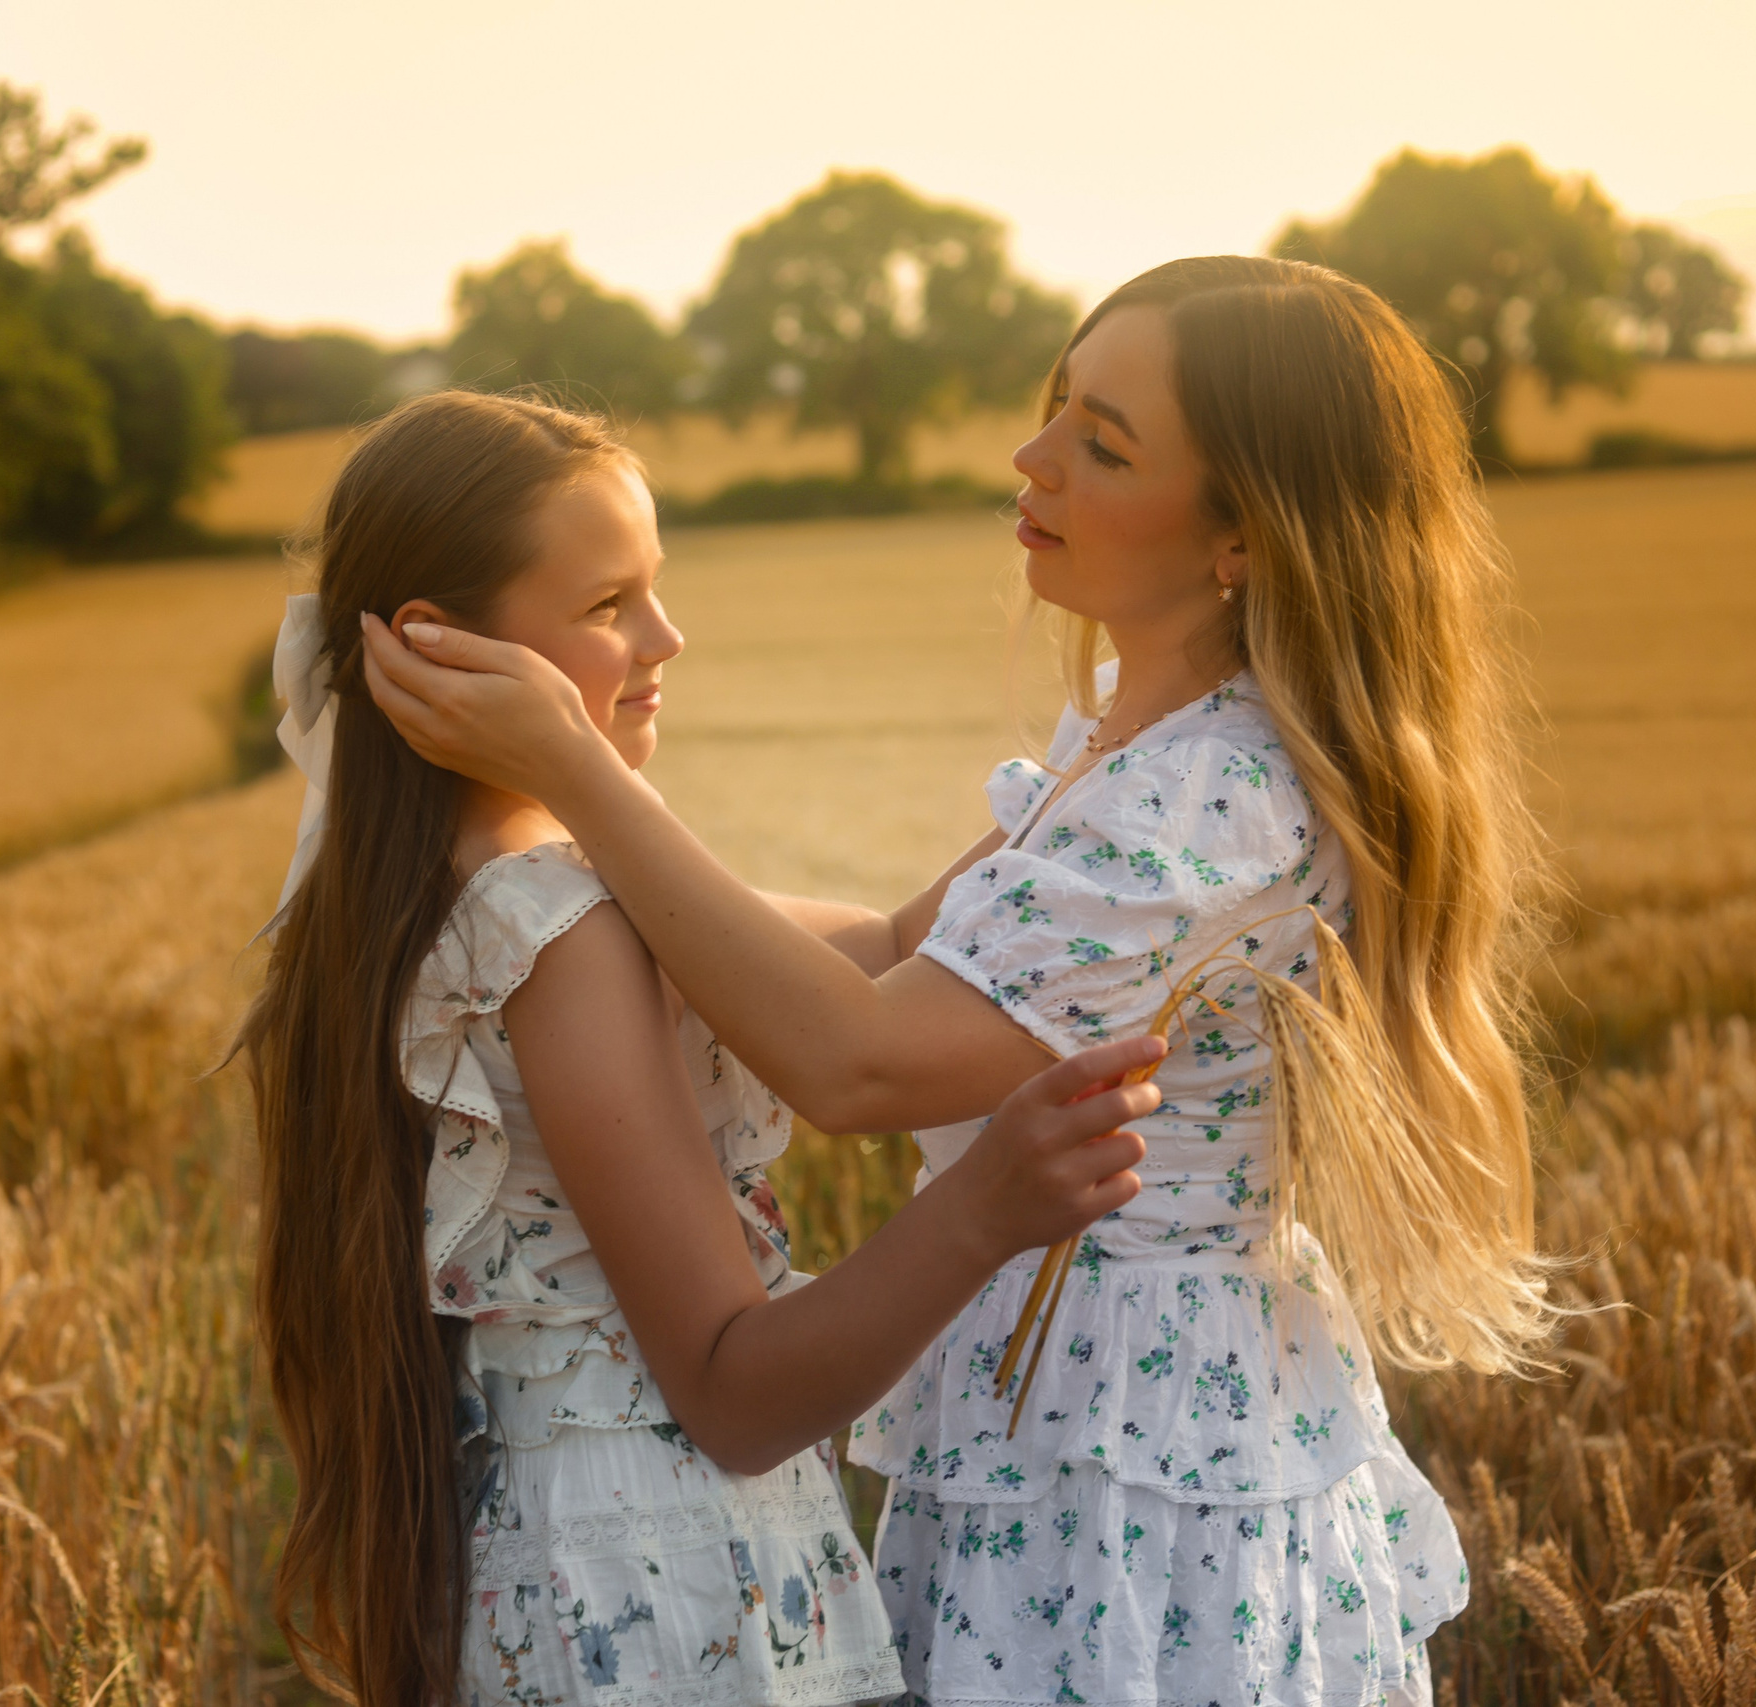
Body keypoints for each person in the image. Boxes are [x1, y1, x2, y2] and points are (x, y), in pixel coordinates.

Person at [360, 256, 1558, 1706]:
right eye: (1059, 405)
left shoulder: (1208, 802)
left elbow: (858, 1057)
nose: (1032, 456)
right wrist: (558, 867)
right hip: (1042, 1408)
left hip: (1134, 1456)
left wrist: (569, 776)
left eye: (1103, 444)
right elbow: (889, 957)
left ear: (1243, 536)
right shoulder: (1128, 753)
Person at [234, 389, 1163, 1707]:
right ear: (447, 652)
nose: (666, 637)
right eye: (610, 605)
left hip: (563, 1574)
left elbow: (895, 952)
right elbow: (734, 1393)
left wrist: (1134, 747)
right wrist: (982, 1209)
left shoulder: (448, 895)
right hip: (661, 1596)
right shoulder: (551, 930)